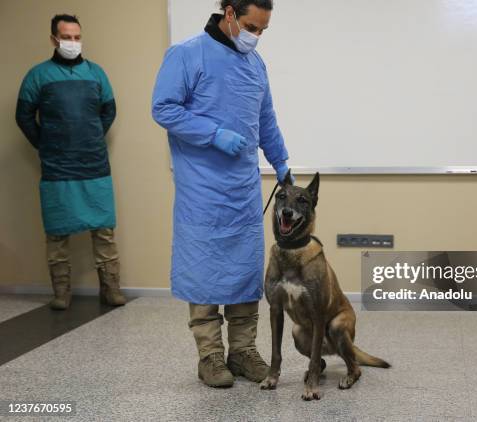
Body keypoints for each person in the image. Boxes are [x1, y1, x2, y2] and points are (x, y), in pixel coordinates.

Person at [151, 0, 292, 388]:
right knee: (205, 271)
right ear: (229, 13)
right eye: (251, 26)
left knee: (244, 271)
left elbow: (266, 119)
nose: (256, 36)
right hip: (203, 189)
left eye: (263, 30)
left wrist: (281, 162)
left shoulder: (254, 65)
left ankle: (243, 351)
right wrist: (213, 134)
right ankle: (210, 357)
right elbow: (163, 108)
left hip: (242, 189)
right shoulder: (186, 54)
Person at [15, 14, 126, 310]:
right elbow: (23, 116)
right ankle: (61, 293)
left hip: (94, 165)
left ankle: (111, 289)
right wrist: (46, 144)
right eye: (67, 37)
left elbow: (109, 111)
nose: (72, 43)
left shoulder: (96, 73)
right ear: (54, 39)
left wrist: (90, 137)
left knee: (104, 230)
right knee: (57, 232)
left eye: (77, 37)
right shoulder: (38, 76)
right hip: (57, 167)